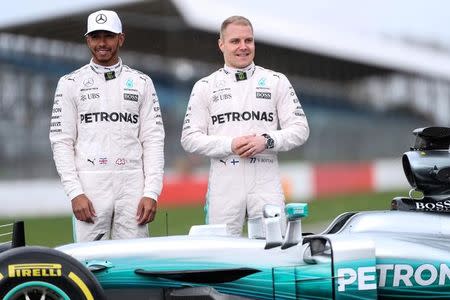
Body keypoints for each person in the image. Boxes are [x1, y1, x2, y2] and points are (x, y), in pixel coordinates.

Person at [181, 16, 309, 236]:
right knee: (220, 253)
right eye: (235, 41)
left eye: (248, 40)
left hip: (265, 179)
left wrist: (267, 140)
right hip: (224, 181)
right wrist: (230, 144)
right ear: (221, 44)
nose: (243, 47)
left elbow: (300, 128)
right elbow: (189, 138)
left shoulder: (276, 81)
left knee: (274, 247)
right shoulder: (204, 86)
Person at [49, 10, 164, 242]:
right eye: (95, 36)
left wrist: (151, 192)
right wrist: (75, 193)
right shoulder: (70, 83)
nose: (102, 43)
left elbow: (153, 139)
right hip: (91, 187)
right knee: (89, 266)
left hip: (133, 186)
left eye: (108, 36)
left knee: (135, 264)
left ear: (120, 38)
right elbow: (61, 141)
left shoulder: (142, 82)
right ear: (87, 40)